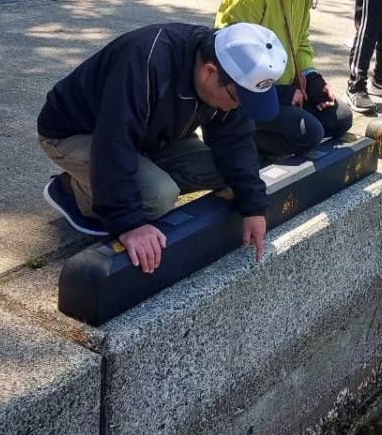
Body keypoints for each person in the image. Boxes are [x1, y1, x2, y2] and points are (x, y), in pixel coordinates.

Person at [38, 22, 287, 273]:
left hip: (149, 136)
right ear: (208, 72)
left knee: (229, 174)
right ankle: (70, 189)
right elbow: (114, 141)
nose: (236, 108)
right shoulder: (145, 62)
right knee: (157, 196)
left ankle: (125, 177)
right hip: (77, 132)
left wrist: (254, 207)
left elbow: (235, 140)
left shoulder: (228, 74)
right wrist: (128, 224)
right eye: (236, 99)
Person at [216, 0, 354, 156]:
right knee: (311, 133)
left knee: (341, 118)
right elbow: (227, 64)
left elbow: (300, 40)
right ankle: (242, 139)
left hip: (290, 91)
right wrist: (278, 94)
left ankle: (283, 122)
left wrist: (312, 78)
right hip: (249, 100)